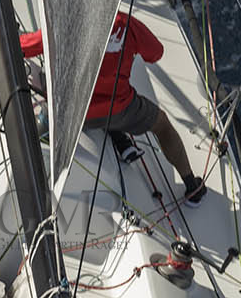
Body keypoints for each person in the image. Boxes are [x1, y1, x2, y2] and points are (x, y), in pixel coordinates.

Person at [20, 13, 207, 204]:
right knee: (162, 125)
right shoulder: (127, 25)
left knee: (45, 80)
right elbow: (156, 53)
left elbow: (23, 47)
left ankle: (117, 136)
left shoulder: (67, 19)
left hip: (74, 112)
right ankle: (192, 187)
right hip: (120, 110)